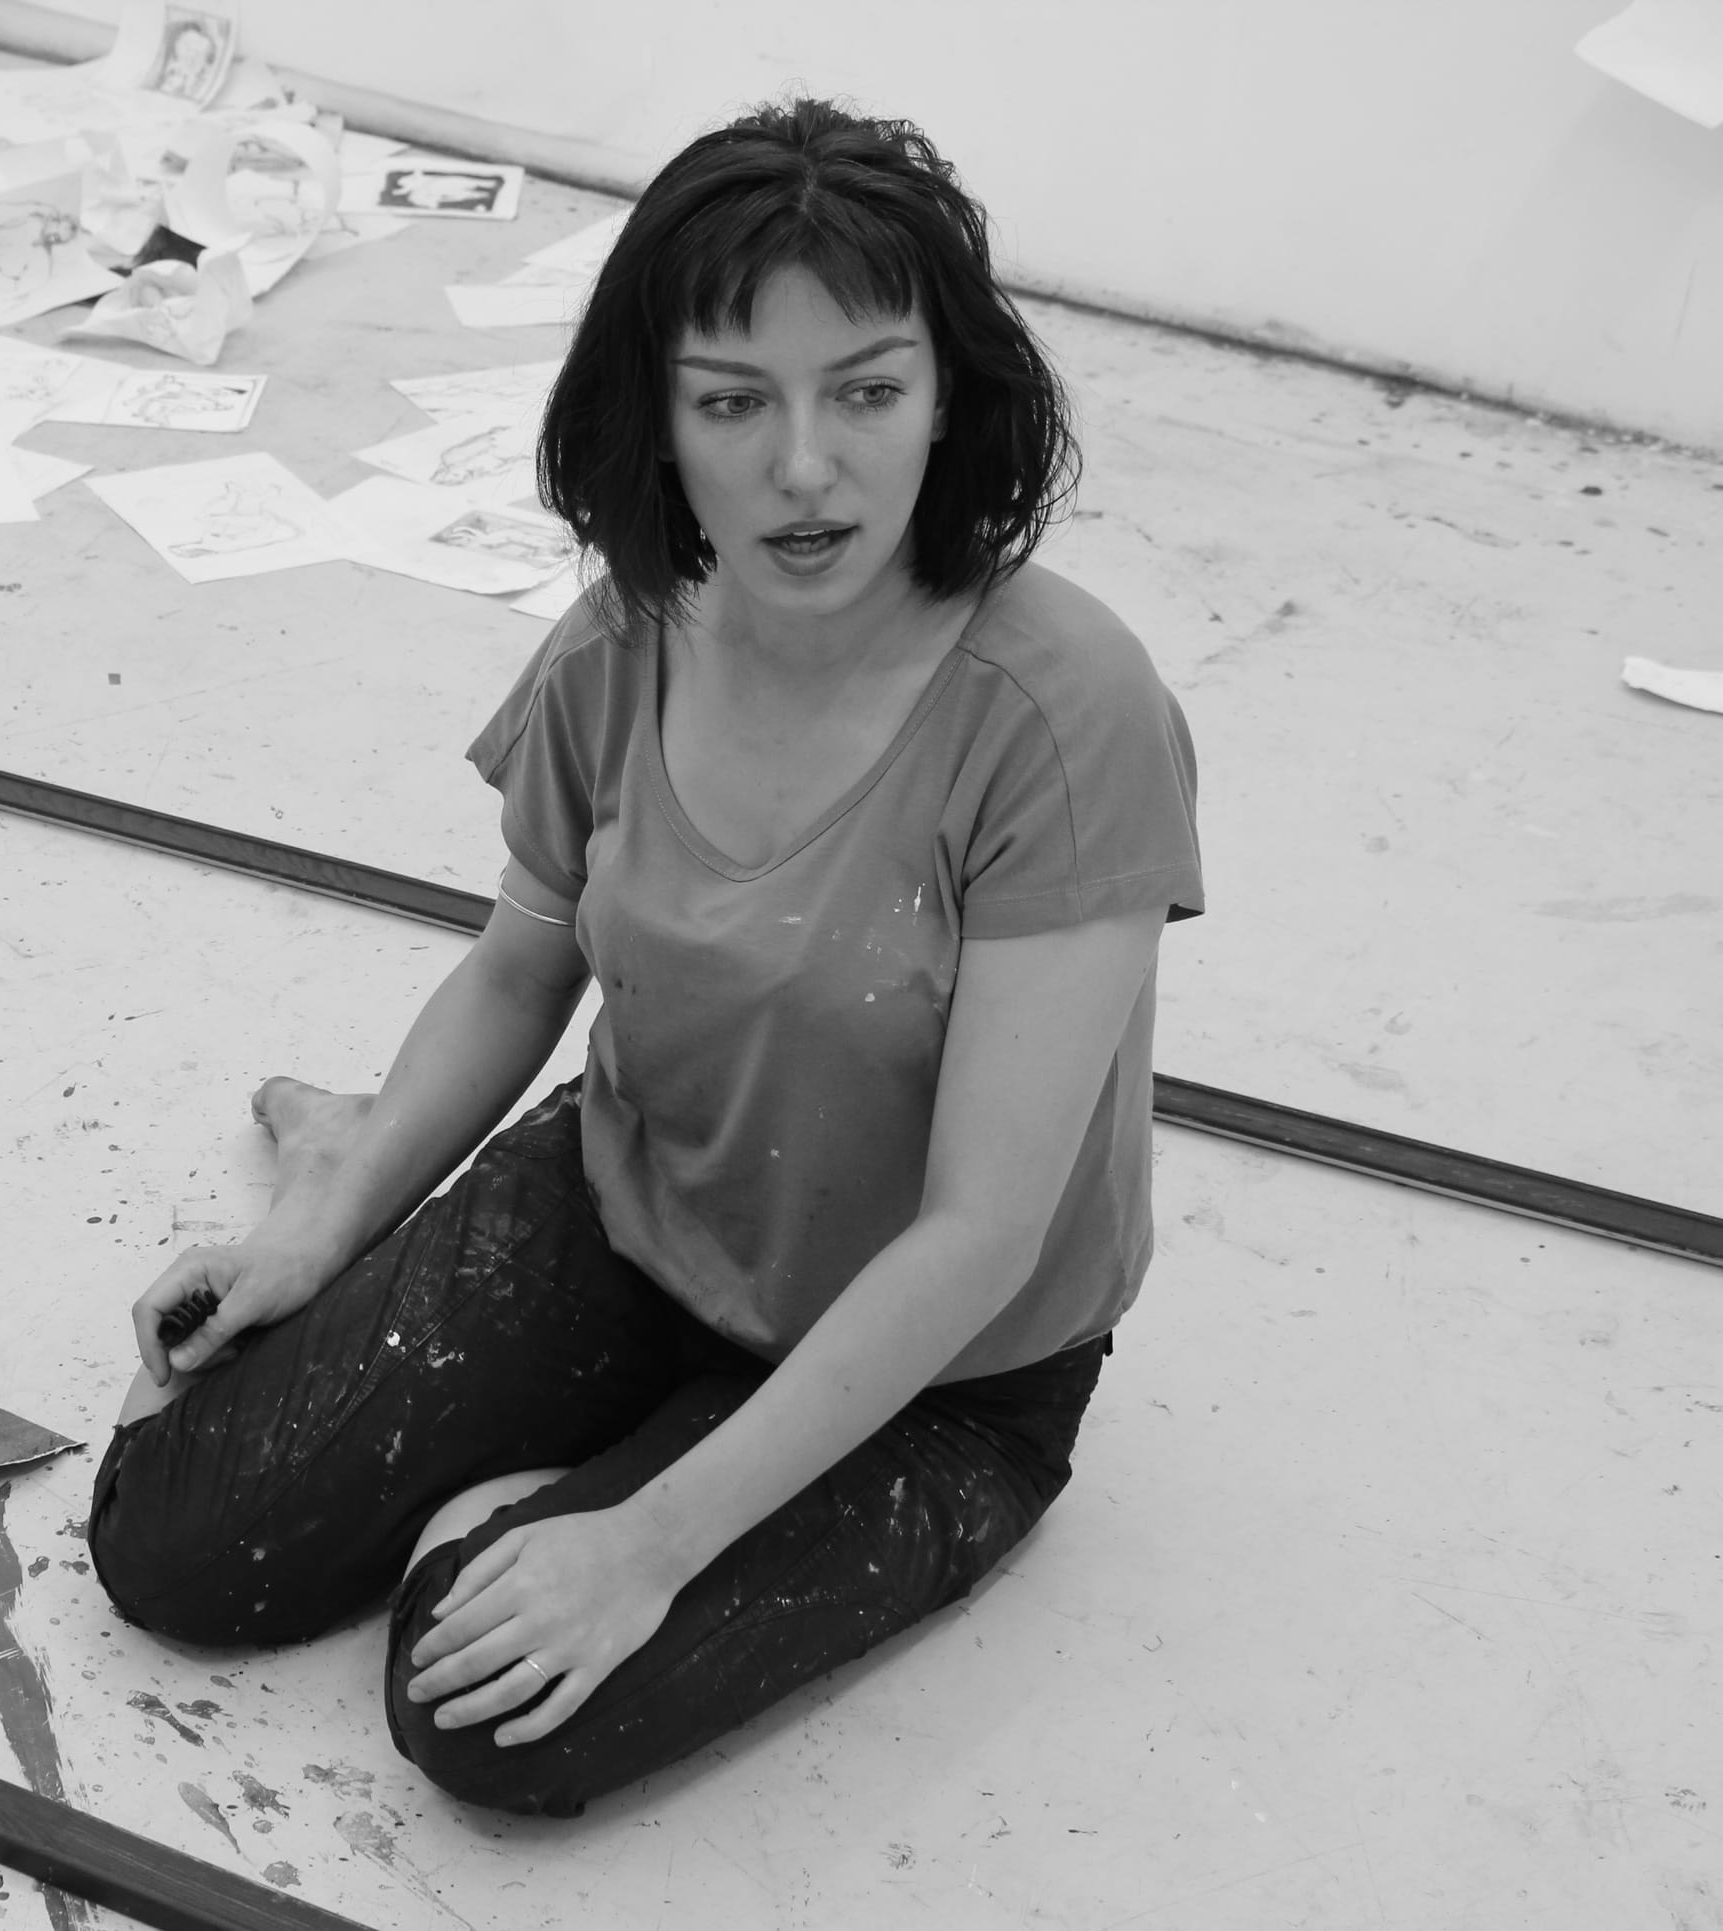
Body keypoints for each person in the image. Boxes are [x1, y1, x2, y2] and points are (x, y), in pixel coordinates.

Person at [88, 96, 1203, 1819]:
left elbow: (983, 1231)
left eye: (868, 390)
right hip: (645, 1201)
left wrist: (649, 1540)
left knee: (477, 1710)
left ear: (949, 398)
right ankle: (364, 1172)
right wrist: (327, 1220)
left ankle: (675, 1460)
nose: (807, 468)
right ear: (658, 422)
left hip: (948, 1368)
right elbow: (522, 967)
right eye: (734, 402)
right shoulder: (625, 633)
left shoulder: (1065, 715)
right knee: (171, 1542)